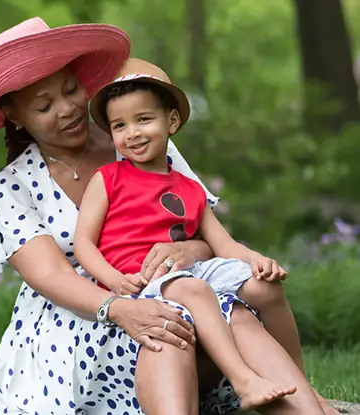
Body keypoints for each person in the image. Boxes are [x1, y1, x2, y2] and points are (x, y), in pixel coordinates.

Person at [0, 17, 331, 415]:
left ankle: (306, 404)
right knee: (168, 328)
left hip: (171, 286)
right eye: (43, 106)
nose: (67, 109)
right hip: (81, 319)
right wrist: (121, 307)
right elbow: (53, 277)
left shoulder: (134, 138)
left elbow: (198, 224)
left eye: (71, 89)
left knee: (235, 313)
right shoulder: (10, 189)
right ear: (15, 116)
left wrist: (190, 250)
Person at [74, 57, 302, 411]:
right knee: (192, 288)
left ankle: (300, 385)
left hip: (188, 273)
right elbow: (83, 244)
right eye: (119, 126)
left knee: (265, 287)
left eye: (144, 119)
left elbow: (222, 245)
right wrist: (113, 279)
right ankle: (244, 381)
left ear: (172, 121)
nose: (132, 133)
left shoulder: (190, 189)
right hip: (140, 280)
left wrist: (258, 261)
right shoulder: (108, 180)